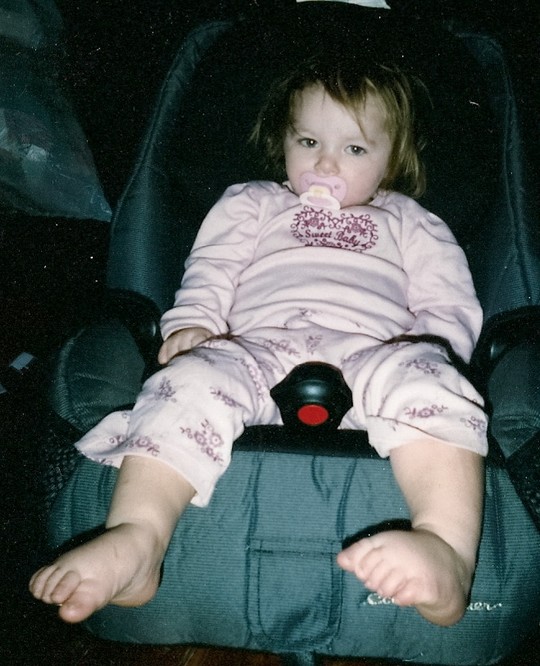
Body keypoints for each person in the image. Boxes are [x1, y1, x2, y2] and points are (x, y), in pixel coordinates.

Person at [30, 56, 488, 628]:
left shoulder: (410, 222)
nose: (325, 163)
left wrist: (432, 353)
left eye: (354, 149)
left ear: (392, 159)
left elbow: (448, 304)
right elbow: (212, 269)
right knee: (186, 381)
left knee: (431, 380)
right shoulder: (253, 202)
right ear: (284, 141)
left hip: (374, 356)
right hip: (255, 350)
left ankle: (447, 549)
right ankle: (140, 535)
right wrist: (194, 323)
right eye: (309, 141)